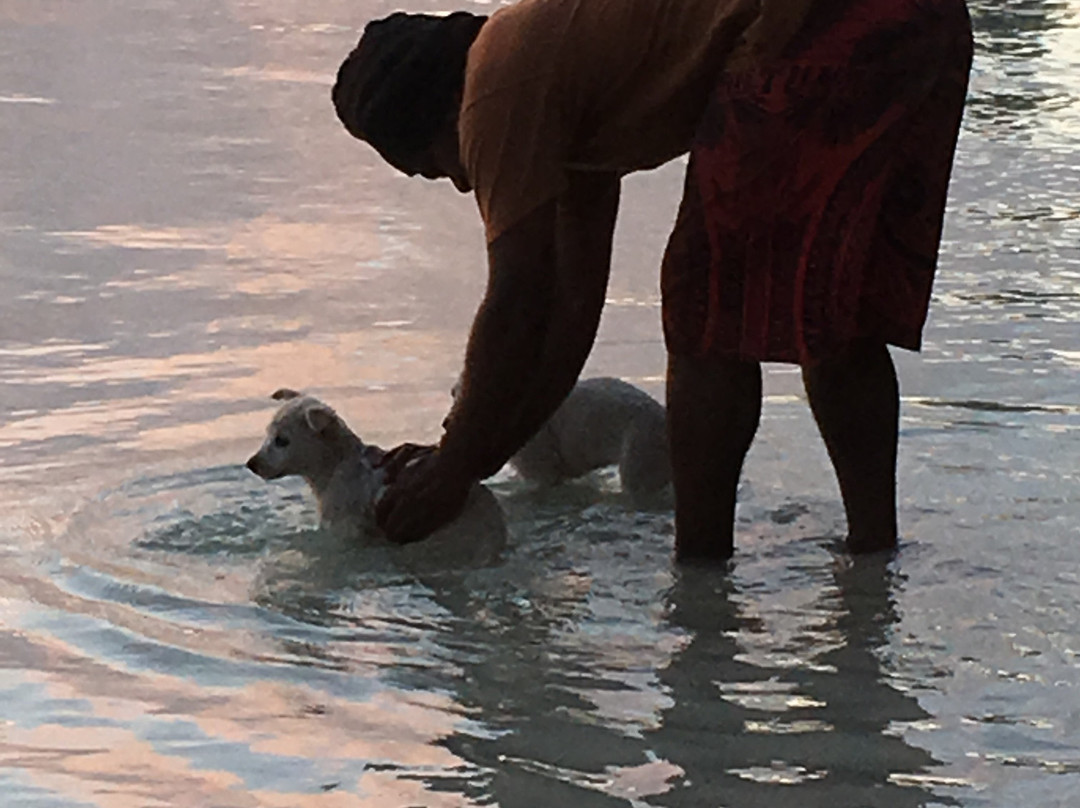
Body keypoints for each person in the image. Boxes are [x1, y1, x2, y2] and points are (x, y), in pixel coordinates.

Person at [331, 0, 974, 561]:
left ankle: (700, 580)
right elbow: (572, 314)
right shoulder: (565, 85)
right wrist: (470, 459)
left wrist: (452, 464)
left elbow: (518, 299)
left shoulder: (494, 86)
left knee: (704, 311)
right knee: (835, 315)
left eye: (433, 168)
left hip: (815, 30)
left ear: (442, 115)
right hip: (920, 18)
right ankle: (873, 560)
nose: (462, 183)